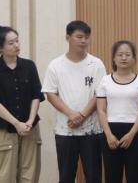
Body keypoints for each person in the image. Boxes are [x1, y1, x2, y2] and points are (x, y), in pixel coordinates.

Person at [42, 20, 107, 183]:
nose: (83, 41)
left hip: (92, 131)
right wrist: (71, 114)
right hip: (65, 130)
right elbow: (50, 94)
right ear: (68, 37)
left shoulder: (96, 64)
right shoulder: (56, 65)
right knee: (66, 177)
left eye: (86, 37)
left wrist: (82, 115)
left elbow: (99, 94)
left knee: (94, 176)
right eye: (79, 37)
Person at [0, 24, 44, 182]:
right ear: (0, 47)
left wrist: (30, 121)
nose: (16, 45)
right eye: (11, 43)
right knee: (4, 176)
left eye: (17, 41)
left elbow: (36, 95)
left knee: (30, 175)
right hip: (4, 129)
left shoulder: (29, 66)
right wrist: (16, 123)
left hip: (30, 128)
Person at [95, 40, 138, 183]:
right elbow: (101, 110)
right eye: (120, 54)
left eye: (127, 54)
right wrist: (108, 135)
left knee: (135, 177)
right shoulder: (105, 81)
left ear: (134, 58)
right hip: (110, 132)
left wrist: (131, 134)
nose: (124, 58)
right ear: (114, 58)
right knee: (112, 177)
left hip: (135, 132)